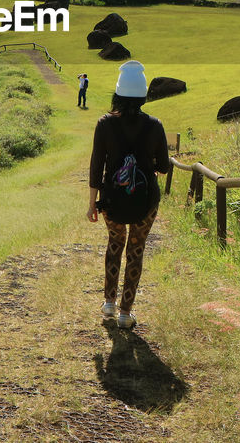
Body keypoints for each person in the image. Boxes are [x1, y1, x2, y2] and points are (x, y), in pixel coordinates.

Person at [87, 60, 170, 329]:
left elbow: (96, 167)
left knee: (115, 244)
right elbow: (164, 167)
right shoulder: (155, 125)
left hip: (112, 200)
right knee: (135, 250)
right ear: (143, 94)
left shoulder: (104, 124)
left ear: (118, 93)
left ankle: (109, 302)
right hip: (146, 202)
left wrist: (92, 205)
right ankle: (126, 312)